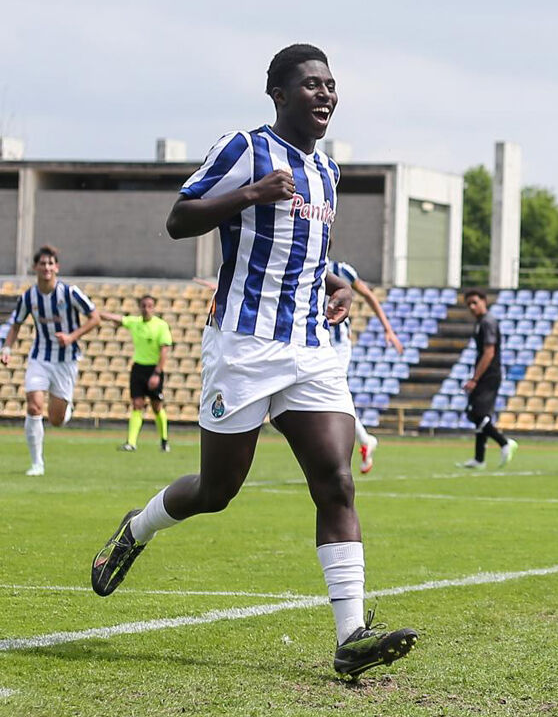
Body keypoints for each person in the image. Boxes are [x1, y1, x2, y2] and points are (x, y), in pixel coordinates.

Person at [89, 43, 416, 681]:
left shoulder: (328, 173)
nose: (326, 95)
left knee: (337, 481)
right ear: (279, 94)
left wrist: (338, 285)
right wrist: (251, 194)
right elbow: (179, 219)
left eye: (331, 85)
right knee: (217, 491)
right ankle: (139, 527)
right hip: (243, 346)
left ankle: (351, 636)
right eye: (312, 85)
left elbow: (313, 253)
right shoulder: (245, 148)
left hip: (311, 350)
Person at [2, 245, 102, 476]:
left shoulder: (70, 293)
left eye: (50, 263)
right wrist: (7, 347)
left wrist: (72, 336)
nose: (46, 267)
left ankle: (66, 410)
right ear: (35, 267)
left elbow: (95, 318)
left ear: (56, 267)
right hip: (40, 357)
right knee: (34, 405)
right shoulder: (29, 296)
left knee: (56, 419)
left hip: (66, 360)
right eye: (42, 263)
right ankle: (37, 463)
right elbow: (16, 324)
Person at [328, 258, 403, 474]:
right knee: (328, 397)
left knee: (334, 394)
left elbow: (369, 295)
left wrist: (388, 329)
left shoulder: (341, 270)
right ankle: (365, 439)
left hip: (338, 343)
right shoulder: (301, 263)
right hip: (314, 340)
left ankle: (361, 441)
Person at [98, 295, 174, 452]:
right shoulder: (135, 322)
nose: (146, 309)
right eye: (143, 305)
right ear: (140, 307)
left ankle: (164, 440)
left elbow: (164, 350)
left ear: (154, 308)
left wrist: (157, 373)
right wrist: (97, 312)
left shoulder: (161, 326)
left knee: (156, 406)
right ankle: (131, 442)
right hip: (138, 369)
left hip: (154, 369)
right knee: (137, 404)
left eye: (149, 306)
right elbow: (118, 319)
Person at [457, 289, 516, 469]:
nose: (472, 307)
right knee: (477, 414)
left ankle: (504, 442)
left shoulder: (488, 322)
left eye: (475, 302)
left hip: (489, 375)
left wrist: (475, 378)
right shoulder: (481, 322)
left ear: (484, 301)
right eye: (469, 304)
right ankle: (479, 458)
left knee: (478, 414)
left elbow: (489, 352)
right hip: (486, 374)